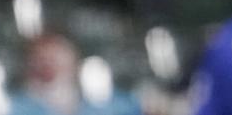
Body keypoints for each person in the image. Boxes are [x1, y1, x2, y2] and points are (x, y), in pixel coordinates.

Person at [8, 33, 141, 115]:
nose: (48, 65)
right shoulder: (16, 108)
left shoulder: (116, 104)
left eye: (55, 58)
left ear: (74, 61)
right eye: (41, 59)